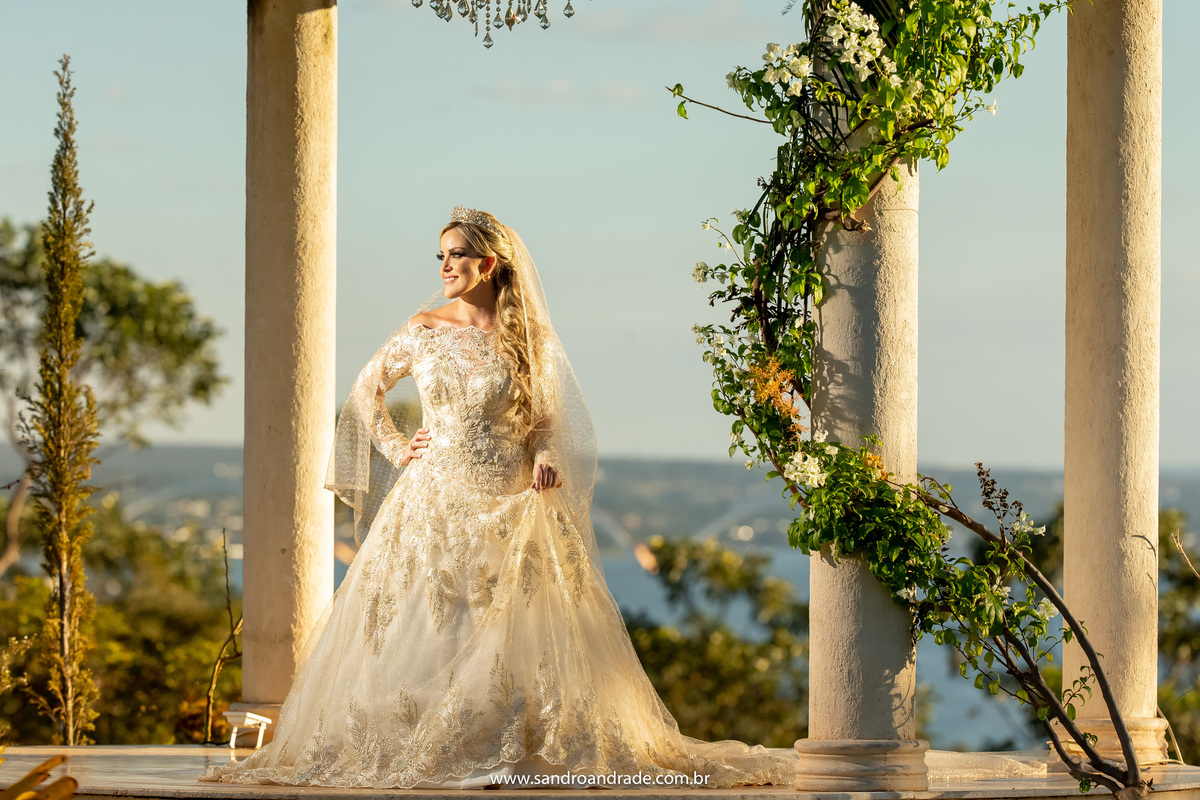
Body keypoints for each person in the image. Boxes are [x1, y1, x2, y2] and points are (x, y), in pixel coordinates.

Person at [199, 208, 797, 789]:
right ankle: (426, 741)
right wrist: (398, 445)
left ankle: (502, 739)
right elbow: (364, 391)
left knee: (509, 623)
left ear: (488, 263)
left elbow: (547, 420)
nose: (444, 265)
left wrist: (543, 456)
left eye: (456, 254)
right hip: (433, 497)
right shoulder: (425, 328)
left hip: (508, 498)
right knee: (432, 618)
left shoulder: (527, 338)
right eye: (440, 255)